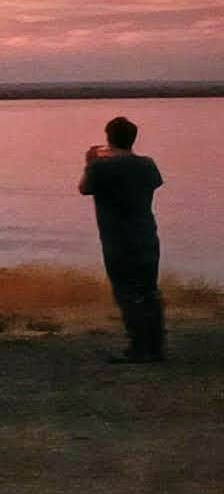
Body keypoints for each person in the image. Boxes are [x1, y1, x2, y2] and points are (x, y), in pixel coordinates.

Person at [81, 116, 169, 363]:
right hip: (146, 235)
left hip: (118, 240)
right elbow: (154, 184)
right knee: (149, 290)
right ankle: (156, 346)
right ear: (133, 138)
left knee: (127, 293)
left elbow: (84, 188)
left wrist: (90, 162)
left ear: (109, 137)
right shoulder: (148, 165)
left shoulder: (100, 168)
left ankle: (139, 347)